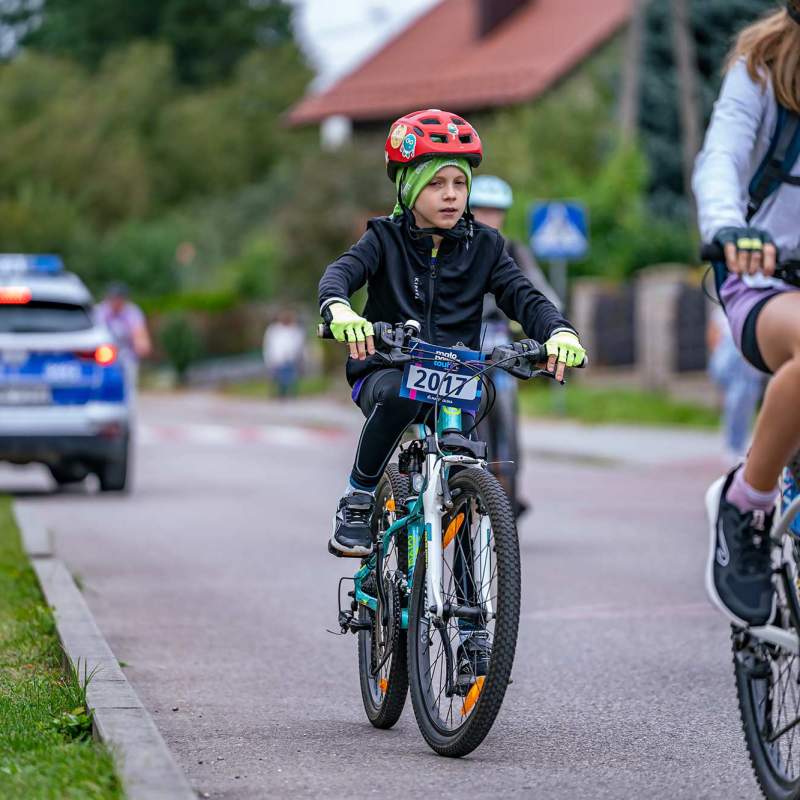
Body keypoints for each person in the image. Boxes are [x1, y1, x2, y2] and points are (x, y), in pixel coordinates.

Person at [318, 108, 586, 561]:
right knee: (402, 395)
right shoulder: (383, 239)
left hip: (458, 375)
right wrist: (340, 310)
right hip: (388, 370)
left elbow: (524, 296)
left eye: (459, 184)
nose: (451, 195)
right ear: (408, 186)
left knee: (467, 466)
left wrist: (559, 332)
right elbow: (340, 274)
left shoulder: (487, 245)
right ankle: (358, 499)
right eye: (436, 184)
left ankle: (470, 616)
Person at [693, 1, 800, 627]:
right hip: (765, 279)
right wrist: (729, 226)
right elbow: (721, 160)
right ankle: (746, 501)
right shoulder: (761, 65)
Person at [470, 175, 562, 517]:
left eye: (497, 212)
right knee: (468, 416)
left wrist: (555, 323)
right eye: (482, 210)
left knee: (507, 415)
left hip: (500, 347)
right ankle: (464, 483)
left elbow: (538, 290)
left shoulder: (513, 250)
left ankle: (510, 490)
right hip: (464, 349)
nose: (490, 218)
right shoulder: (458, 248)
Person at [706, 306, 765, 463]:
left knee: (746, 401)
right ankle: (732, 444)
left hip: (745, 354)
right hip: (732, 352)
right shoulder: (723, 308)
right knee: (735, 402)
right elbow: (713, 334)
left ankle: (738, 443)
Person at [94, 282, 152, 396]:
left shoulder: (132, 312)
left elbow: (139, 332)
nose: (116, 302)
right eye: (114, 298)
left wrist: (142, 344)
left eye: (119, 298)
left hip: (126, 353)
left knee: (129, 384)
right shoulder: (100, 311)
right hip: (103, 353)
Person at [263, 309, 305, 398]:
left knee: (292, 379)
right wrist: (269, 359)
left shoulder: (296, 330)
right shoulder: (273, 330)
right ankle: (279, 395)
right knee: (277, 379)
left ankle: (291, 395)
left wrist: (299, 359)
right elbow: (269, 345)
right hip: (277, 359)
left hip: (291, 359)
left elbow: (299, 345)